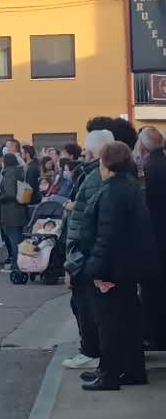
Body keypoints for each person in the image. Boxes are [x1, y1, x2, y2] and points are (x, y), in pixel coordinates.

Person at [80, 141, 158, 390]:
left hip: (113, 270)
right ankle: (132, 370)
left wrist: (97, 271)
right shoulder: (130, 186)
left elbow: (107, 236)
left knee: (110, 324)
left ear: (106, 162)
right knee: (128, 321)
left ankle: (109, 374)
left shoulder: (113, 191)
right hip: (127, 267)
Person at [62, 129, 115, 371]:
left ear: (94, 152)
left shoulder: (95, 176)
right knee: (86, 305)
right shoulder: (97, 175)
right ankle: (92, 349)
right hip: (87, 253)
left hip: (84, 254)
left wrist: (75, 259)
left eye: (85, 150)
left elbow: (89, 220)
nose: (83, 154)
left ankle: (91, 351)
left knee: (85, 306)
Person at [136, 127, 166, 350]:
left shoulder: (147, 170)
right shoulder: (161, 164)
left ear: (143, 146)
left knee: (153, 292)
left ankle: (155, 336)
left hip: (154, 240)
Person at [0, 153, 28, 270]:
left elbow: (10, 193)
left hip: (11, 210)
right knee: (18, 239)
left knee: (14, 239)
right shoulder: (19, 171)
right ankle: (20, 264)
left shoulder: (9, 173)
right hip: (20, 209)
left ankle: (16, 265)